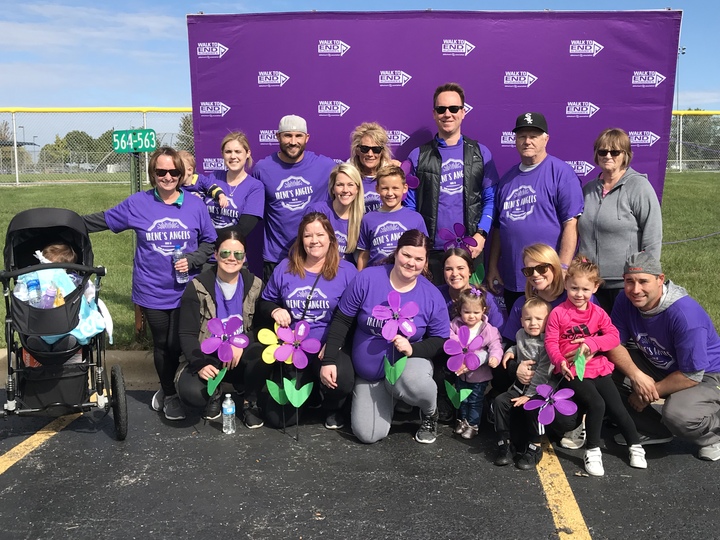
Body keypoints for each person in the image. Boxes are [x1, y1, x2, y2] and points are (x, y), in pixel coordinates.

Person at [83, 146, 217, 421]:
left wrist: (193, 259)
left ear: (182, 174)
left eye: (174, 172)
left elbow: (209, 241)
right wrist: (65, 222)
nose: (168, 177)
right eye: (161, 172)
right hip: (152, 289)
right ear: (152, 173)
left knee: (177, 342)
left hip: (186, 289)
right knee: (162, 344)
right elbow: (103, 220)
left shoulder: (195, 204)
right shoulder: (138, 203)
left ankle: (178, 383)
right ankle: (168, 393)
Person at [323, 230, 449, 444]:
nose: (411, 263)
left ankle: (429, 412)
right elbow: (342, 320)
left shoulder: (431, 295)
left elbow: (441, 340)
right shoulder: (368, 279)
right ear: (397, 252)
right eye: (406, 255)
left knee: (411, 383)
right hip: (369, 376)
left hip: (407, 367)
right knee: (368, 434)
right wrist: (329, 360)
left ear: (426, 261)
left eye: (419, 259)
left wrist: (413, 349)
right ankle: (390, 399)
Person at [609, 252, 720, 461]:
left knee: (678, 414)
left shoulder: (685, 314)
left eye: (643, 281)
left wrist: (646, 393)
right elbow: (613, 342)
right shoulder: (624, 299)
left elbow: (692, 375)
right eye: (629, 281)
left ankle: (713, 434)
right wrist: (636, 376)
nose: (635, 290)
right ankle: (654, 431)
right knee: (601, 367)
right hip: (663, 364)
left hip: (708, 374)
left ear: (660, 279)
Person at [544, 255, 646, 476]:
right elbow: (550, 342)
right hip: (572, 369)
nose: (579, 294)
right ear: (566, 285)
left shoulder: (597, 313)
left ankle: (635, 446)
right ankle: (592, 451)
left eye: (585, 289)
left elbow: (613, 336)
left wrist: (591, 342)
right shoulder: (558, 313)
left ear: (595, 287)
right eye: (574, 288)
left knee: (617, 408)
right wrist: (559, 360)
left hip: (596, 366)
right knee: (597, 405)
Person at [257, 212, 358, 429]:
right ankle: (310, 395)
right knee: (278, 419)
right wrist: (274, 311)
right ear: (301, 240)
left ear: (331, 238)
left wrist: (333, 345)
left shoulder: (347, 271)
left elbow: (355, 316)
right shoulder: (285, 268)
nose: (314, 241)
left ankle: (332, 407)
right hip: (294, 348)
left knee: (342, 380)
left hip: (327, 346)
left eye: (320, 234)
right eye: (307, 235)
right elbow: (265, 302)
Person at [487, 112, 584, 312]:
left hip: (549, 279)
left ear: (545, 139)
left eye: (534, 136)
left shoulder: (561, 173)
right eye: (522, 136)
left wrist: (563, 267)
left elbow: (571, 224)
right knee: (519, 336)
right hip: (514, 278)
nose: (527, 141)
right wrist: (493, 265)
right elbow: (498, 228)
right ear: (515, 140)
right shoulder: (507, 180)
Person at [405, 82, 500, 284]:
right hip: (431, 253)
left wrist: (481, 235)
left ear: (463, 112)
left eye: (453, 108)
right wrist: (419, 246)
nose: (447, 114)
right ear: (434, 113)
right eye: (441, 109)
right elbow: (411, 206)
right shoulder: (418, 155)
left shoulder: (480, 153)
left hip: (470, 250)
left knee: (470, 313)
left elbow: (490, 199)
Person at [176, 229, 266, 428]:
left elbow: (262, 327)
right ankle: (214, 394)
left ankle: (249, 401)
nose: (232, 258)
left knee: (260, 353)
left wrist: (242, 342)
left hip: (238, 355)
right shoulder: (197, 287)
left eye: (238, 254)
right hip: (208, 355)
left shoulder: (255, 285)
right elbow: (187, 334)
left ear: (245, 257)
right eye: (225, 253)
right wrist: (199, 364)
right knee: (192, 394)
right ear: (215, 254)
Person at [578, 128, 662, 314]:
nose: (608, 156)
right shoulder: (588, 189)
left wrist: (645, 277)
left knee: (624, 340)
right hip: (590, 283)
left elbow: (653, 235)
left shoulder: (639, 187)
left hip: (625, 283)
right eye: (602, 151)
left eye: (615, 152)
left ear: (625, 155)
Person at [252, 115, 337, 282]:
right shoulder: (262, 169)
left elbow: (352, 181)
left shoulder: (325, 166)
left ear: (307, 138)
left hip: (314, 256)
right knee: (275, 307)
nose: (293, 141)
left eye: (298, 136)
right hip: (276, 257)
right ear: (277, 137)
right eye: (287, 135)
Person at [494, 297, 553, 468]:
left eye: (539, 319)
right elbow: (518, 347)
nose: (532, 323)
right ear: (521, 321)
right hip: (520, 386)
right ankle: (504, 443)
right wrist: (510, 352)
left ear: (548, 320)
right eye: (528, 319)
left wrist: (529, 395)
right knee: (500, 402)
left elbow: (543, 372)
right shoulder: (520, 334)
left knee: (536, 407)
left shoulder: (547, 341)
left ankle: (535, 446)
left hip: (540, 389)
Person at [448, 287, 503, 440]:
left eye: (476, 312)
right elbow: (450, 338)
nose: (471, 316)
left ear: (483, 311)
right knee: (462, 398)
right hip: (460, 372)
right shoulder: (456, 324)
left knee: (474, 400)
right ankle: (463, 421)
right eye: (467, 312)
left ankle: (473, 424)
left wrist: (495, 357)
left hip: (479, 375)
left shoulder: (488, 329)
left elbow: (496, 345)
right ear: (460, 310)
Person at [188, 132, 264, 238]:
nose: (233, 156)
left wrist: (207, 234)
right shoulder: (213, 177)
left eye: (238, 152)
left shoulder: (255, 187)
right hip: (205, 250)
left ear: (247, 153)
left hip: (230, 250)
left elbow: (243, 229)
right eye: (228, 152)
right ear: (222, 154)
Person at [356, 165, 427, 270]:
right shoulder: (368, 219)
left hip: (406, 278)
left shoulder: (416, 219)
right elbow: (364, 255)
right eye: (385, 188)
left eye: (395, 188)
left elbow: (424, 254)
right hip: (376, 277)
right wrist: (360, 278)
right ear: (377, 189)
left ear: (405, 188)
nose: (390, 193)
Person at [305, 163, 365, 263]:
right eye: (340, 185)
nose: (345, 190)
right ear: (333, 189)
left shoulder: (362, 220)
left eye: (350, 185)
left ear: (357, 189)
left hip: (345, 274)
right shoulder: (316, 210)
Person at [349, 122, 396, 214]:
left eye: (376, 150)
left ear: (382, 152)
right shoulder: (348, 178)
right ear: (357, 151)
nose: (370, 154)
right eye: (365, 149)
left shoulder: (391, 177)